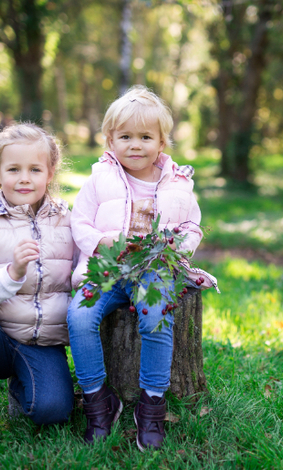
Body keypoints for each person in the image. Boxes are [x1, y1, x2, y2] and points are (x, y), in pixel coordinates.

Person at [67, 85, 215, 450]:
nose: (135, 145)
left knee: (156, 317)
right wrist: (102, 243)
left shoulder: (178, 182)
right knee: (79, 318)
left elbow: (191, 225)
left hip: (153, 270)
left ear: (162, 142)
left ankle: (151, 406)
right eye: (126, 136)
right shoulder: (100, 179)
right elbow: (79, 221)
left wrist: (177, 245)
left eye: (145, 137)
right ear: (110, 140)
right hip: (106, 269)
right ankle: (99, 402)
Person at [0, 122, 76, 448]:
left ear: (50, 173)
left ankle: (23, 388)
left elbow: (81, 272)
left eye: (35, 169)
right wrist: (13, 271)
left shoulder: (67, 222)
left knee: (53, 411)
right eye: (14, 169)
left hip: (43, 342)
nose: (25, 178)